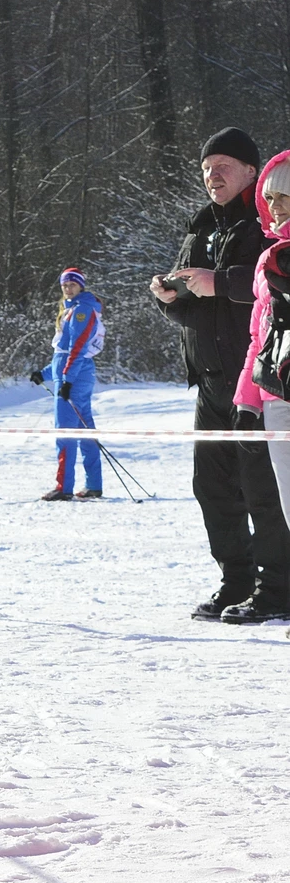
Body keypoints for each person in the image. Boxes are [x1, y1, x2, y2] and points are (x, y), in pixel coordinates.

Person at [155, 127, 290, 621]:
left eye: (223, 167)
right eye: (207, 169)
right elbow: (198, 303)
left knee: (263, 489)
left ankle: (277, 586)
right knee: (212, 489)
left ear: (251, 172)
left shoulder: (267, 225)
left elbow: (267, 293)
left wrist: (220, 282)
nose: (213, 176)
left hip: (257, 383)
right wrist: (171, 299)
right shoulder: (199, 228)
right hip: (210, 380)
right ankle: (237, 581)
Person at [228, 148, 290, 624]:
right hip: (277, 398)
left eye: (285, 195)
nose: (276, 205)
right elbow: (259, 336)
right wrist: (246, 403)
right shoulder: (268, 258)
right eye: (270, 197)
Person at [30, 269, 104, 501]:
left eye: (72, 284)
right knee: (83, 429)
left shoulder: (81, 310)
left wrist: (67, 380)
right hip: (74, 373)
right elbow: (63, 353)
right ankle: (94, 484)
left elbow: (77, 348)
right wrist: (44, 373)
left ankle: (64, 487)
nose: (68, 288)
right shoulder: (73, 308)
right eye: (64, 284)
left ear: (81, 286)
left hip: (74, 376)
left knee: (65, 432)